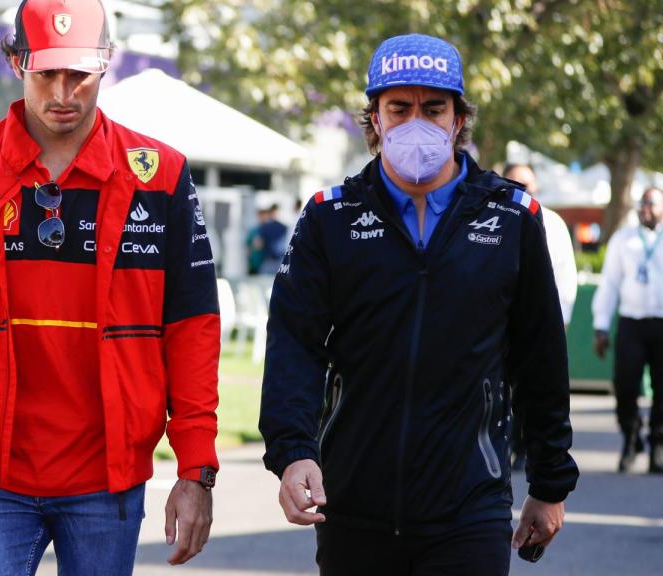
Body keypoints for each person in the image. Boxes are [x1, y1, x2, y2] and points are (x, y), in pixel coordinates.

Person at [0, 0, 222, 573]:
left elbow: (192, 333)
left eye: (79, 74)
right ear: (14, 61)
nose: (63, 93)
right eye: (45, 73)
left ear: (108, 62)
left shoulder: (162, 175)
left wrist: (196, 469)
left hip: (108, 481)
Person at [259, 34, 579, 576]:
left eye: (433, 109)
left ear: (458, 120)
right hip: (353, 506)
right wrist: (293, 452)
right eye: (398, 108)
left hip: (469, 507)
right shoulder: (328, 219)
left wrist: (549, 485)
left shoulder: (511, 220)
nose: (416, 123)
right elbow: (294, 345)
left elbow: (540, 357)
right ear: (375, 120)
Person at [503, 163, 578, 471]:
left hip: (536, 321)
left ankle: (525, 447)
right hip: (500, 321)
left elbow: (564, 275)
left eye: (528, 183)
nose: (524, 189)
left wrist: (560, 320)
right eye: (517, 183)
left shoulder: (553, 223)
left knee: (531, 386)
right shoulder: (491, 216)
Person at [592, 186, 663, 474]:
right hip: (631, 322)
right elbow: (609, 283)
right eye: (642, 203)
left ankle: (658, 443)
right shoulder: (624, 240)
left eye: (652, 204)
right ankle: (630, 437)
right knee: (625, 384)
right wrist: (601, 325)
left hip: (661, 321)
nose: (645, 208)